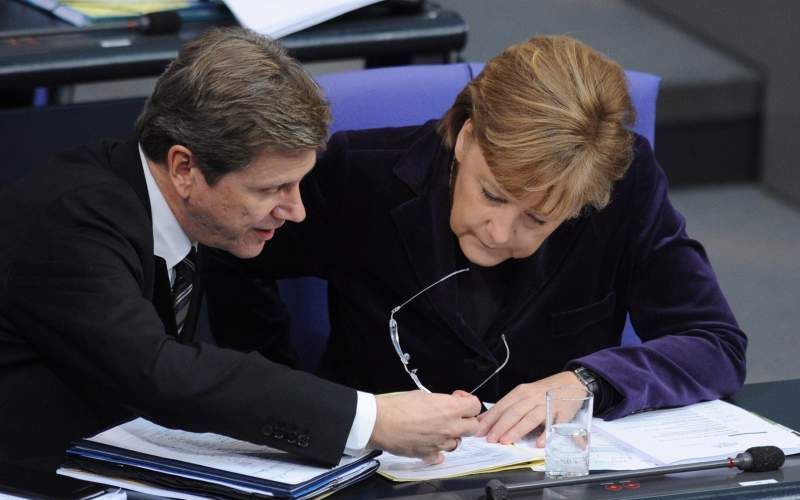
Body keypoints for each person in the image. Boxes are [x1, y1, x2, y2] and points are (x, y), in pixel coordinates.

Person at [206, 35, 747, 448]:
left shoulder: (621, 188)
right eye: (491, 195)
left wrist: (588, 382)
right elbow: (229, 253)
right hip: (373, 467)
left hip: (542, 471)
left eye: (538, 219)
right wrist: (297, 395)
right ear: (465, 136)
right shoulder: (359, 177)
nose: (500, 231)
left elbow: (713, 342)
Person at [0, 27, 481, 472]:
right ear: (185, 168)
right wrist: (371, 419)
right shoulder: (73, 220)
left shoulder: (175, 211)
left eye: (299, 185)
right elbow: (159, 372)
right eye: (272, 189)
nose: (295, 211)